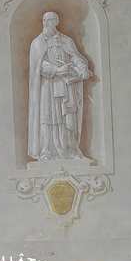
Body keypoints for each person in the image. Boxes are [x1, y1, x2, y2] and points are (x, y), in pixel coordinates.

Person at [27, 11, 92, 162]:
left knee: (65, 118)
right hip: (47, 87)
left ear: (56, 22)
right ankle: (46, 150)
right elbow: (38, 65)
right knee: (47, 117)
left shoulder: (65, 41)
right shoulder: (37, 43)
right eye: (47, 21)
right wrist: (56, 70)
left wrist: (82, 68)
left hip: (65, 85)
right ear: (43, 22)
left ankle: (69, 149)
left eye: (52, 21)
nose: (49, 23)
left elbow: (75, 57)